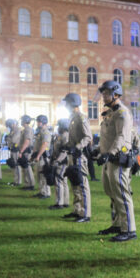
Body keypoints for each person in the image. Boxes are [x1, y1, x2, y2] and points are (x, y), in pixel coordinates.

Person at [96, 80, 137, 242]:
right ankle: (118, 224)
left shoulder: (122, 113)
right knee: (112, 193)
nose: (104, 96)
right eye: (103, 93)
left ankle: (129, 229)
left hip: (118, 158)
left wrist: (110, 153)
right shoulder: (110, 113)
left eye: (107, 93)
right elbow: (108, 137)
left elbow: (122, 137)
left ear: (116, 94)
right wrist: (99, 150)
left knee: (121, 194)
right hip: (109, 158)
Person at [61, 93, 93, 223]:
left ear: (72, 103)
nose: (65, 106)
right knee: (74, 183)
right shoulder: (72, 118)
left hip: (80, 155)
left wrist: (77, 147)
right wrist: (68, 146)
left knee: (82, 184)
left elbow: (88, 137)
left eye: (67, 103)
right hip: (73, 155)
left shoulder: (81, 118)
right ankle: (77, 210)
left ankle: (85, 213)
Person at [50, 118, 72, 210]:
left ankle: (59, 203)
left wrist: (57, 161)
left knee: (59, 181)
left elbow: (64, 151)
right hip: (61, 161)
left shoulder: (65, 136)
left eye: (59, 126)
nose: (58, 128)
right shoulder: (61, 135)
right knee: (63, 181)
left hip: (62, 162)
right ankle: (65, 202)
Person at [32, 115, 52, 199]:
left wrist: (38, 155)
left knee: (43, 175)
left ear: (43, 122)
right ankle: (41, 191)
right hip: (39, 156)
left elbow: (45, 144)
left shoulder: (45, 132)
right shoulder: (40, 132)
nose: (37, 123)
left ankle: (46, 193)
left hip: (43, 157)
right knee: (39, 175)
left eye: (39, 121)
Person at [5, 119, 22, 186]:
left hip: (16, 149)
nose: (9, 126)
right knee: (13, 165)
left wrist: (8, 138)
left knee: (17, 165)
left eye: (10, 125)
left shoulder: (17, 130)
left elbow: (13, 140)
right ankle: (15, 181)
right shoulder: (12, 130)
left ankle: (18, 181)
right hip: (12, 148)